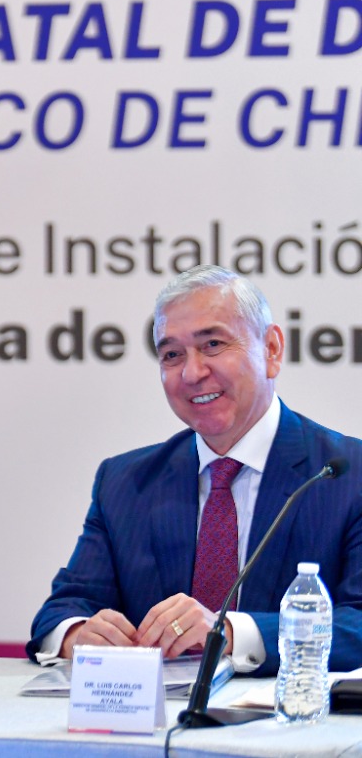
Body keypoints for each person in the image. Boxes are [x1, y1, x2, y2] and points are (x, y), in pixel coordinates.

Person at [28, 265, 362, 677]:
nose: (192, 372)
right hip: (155, 714)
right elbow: (63, 609)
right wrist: (77, 634)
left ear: (272, 350)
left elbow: (357, 625)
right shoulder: (126, 483)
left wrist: (230, 633)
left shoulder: (347, 475)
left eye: (213, 345)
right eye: (172, 355)